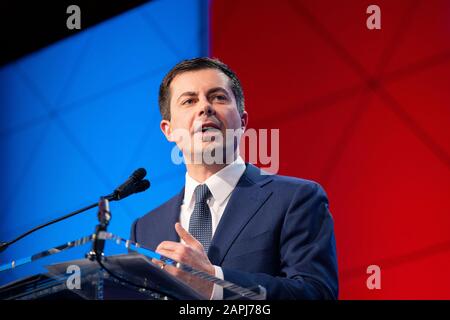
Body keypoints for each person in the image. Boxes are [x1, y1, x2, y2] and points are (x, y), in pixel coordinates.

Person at [130, 57, 338, 300]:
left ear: (242, 121)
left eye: (218, 97)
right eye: (189, 100)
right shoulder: (144, 229)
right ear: (168, 130)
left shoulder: (296, 199)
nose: (205, 107)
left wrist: (213, 283)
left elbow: (316, 294)